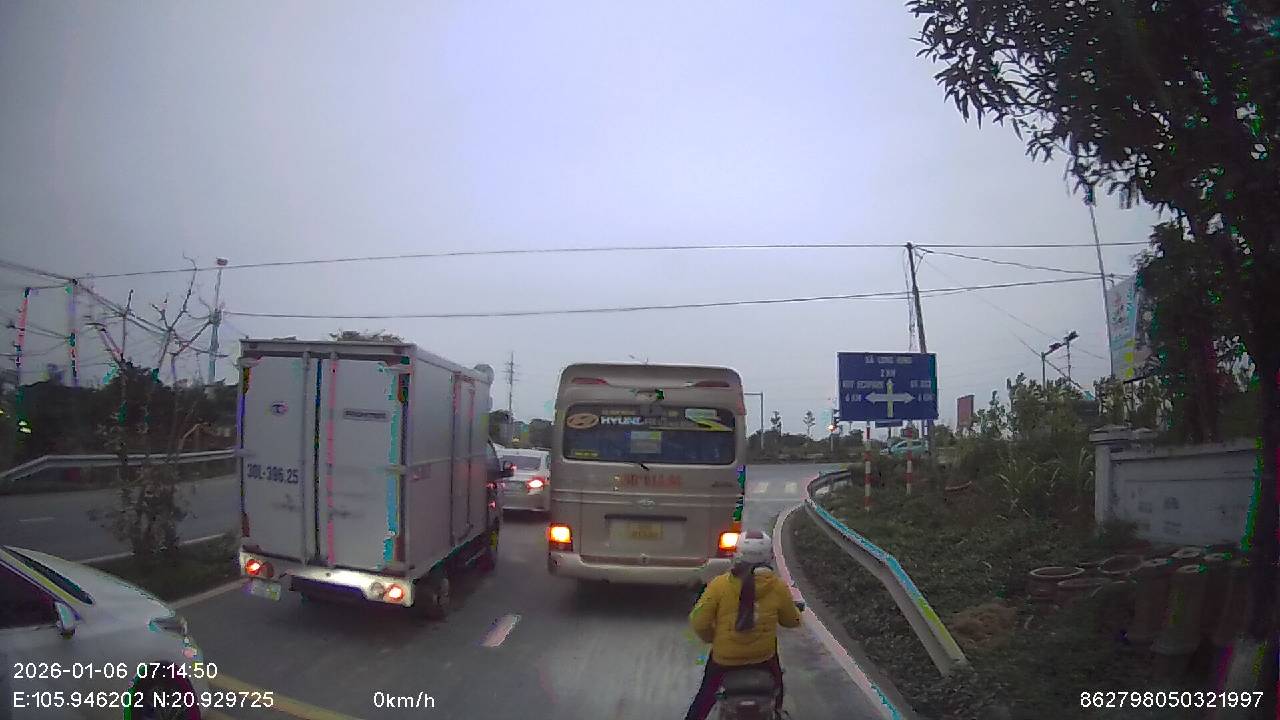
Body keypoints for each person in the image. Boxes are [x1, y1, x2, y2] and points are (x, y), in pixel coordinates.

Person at [684, 530, 802, 720]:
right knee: (778, 686)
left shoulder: (719, 585)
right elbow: (791, 621)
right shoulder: (777, 587)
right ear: (768, 556)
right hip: (762, 657)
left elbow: (698, 621)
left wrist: (713, 638)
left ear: (737, 554)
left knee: (705, 696)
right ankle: (777, 711)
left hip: (725, 659)